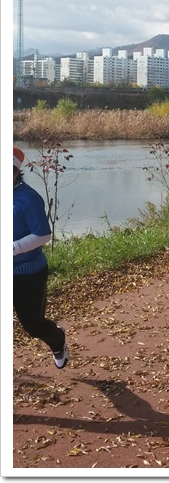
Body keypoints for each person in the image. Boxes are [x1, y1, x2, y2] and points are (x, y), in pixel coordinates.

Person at [13, 146, 69, 368]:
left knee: (33, 326)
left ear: (16, 171)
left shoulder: (28, 199)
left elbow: (43, 235)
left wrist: (12, 248)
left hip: (27, 274)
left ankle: (57, 340)